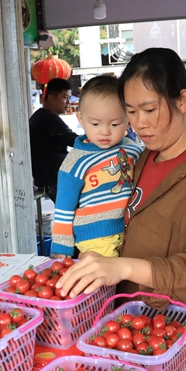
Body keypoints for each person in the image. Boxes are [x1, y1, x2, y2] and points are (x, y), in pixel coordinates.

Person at [55, 48, 186, 341]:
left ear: (182, 100)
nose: (139, 123)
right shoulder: (140, 158)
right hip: (117, 323)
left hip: (159, 334)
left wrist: (123, 267)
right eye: (130, 112)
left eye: (149, 110)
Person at [50, 75, 143, 258]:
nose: (105, 131)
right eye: (95, 124)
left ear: (128, 121)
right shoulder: (75, 162)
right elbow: (63, 209)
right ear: (81, 119)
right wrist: (61, 249)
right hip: (95, 239)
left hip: (132, 232)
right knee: (101, 282)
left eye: (115, 124)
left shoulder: (133, 150)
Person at [29, 78, 78, 202]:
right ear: (51, 98)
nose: (68, 102)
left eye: (69, 98)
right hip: (53, 180)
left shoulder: (38, 116)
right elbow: (74, 140)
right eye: (64, 97)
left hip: (47, 178)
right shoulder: (49, 119)